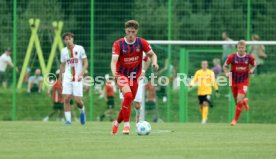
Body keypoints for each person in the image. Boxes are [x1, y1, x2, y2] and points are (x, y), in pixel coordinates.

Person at [111, 20, 158, 135]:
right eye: (128, 31)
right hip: (121, 75)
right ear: (125, 31)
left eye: (133, 31)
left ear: (136, 31)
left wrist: (154, 63)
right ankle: (127, 126)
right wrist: (115, 74)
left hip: (135, 77)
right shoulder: (118, 44)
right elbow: (113, 62)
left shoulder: (141, 42)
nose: (131, 34)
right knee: (128, 95)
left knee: (128, 102)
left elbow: (152, 55)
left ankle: (116, 124)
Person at [223, 40, 256, 126]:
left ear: (245, 48)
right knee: (237, 101)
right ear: (237, 48)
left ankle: (234, 120)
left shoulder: (250, 57)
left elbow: (254, 65)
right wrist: (226, 73)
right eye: (239, 48)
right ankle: (244, 101)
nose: (241, 49)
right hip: (233, 79)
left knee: (239, 99)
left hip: (244, 80)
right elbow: (225, 66)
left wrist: (252, 70)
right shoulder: (232, 57)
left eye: (242, 48)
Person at [59, 32, 88, 125]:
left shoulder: (79, 48)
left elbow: (85, 62)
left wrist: (81, 74)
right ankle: (68, 120)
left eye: (70, 39)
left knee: (77, 100)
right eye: (66, 39)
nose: (68, 41)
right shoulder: (63, 51)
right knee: (67, 98)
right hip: (67, 77)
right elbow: (62, 65)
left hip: (77, 78)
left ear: (73, 39)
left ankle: (82, 110)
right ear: (64, 41)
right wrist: (60, 78)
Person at [119, 52, 151, 123]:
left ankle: (138, 116)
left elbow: (148, 60)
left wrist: (143, 71)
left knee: (137, 105)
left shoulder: (140, 52)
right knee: (124, 102)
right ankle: (127, 124)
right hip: (125, 79)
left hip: (137, 80)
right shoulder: (122, 51)